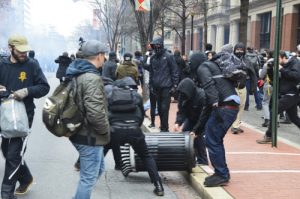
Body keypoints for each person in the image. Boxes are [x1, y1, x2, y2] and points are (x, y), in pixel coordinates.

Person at [0, 35, 50, 199]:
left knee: (14, 154)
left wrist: (27, 91)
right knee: (7, 151)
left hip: (24, 116)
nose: (24, 54)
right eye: (20, 51)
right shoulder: (1, 64)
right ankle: (26, 178)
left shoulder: (32, 65)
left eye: (25, 50)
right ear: (11, 48)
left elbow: (44, 87)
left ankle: (6, 194)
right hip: (4, 114)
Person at [104, 77, 164, 196]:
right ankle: (158, 185)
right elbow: (141, 115)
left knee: (101, 152)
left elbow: (105, 115)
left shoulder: (109, 95)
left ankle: (90, 178)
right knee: (146, 156)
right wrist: (136, 127)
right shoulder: (137, 96)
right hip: (134, 130)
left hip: (115, 131)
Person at [65, 40, 110, 199]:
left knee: (96, 171)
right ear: (99, 56)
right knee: (88, 178)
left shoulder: (76, 72)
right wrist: (105, 130)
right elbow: (95, 112)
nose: (105, 58)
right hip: (89, 135)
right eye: (104, 55)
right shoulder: (91, 78)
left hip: (80, 131)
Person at [197, 50, 240, 187]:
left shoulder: (202, 68)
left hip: (224, 106)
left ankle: (221, 174)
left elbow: (209, 86)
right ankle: (221, 172)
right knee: (214, 138)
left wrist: (214, 102)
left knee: (212, 139)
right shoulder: (214, 66)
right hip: (230, 104)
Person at [257, 51, 300, 144]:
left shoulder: (295, 62)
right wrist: (270, 70)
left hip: (291, 94)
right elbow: (274, 81)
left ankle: (269, 135)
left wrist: (281, 69)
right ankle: (269, 136)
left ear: (283, 57)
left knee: (273, 111)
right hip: (285, 94)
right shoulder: (282, 66)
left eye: (278, 59)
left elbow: (296, 76)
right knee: (294, 118)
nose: (276, 61)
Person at [145, 37, 179, 131]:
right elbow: (151, 73)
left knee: (164, 108)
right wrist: (151, 85)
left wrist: (175, 85)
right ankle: (162, 126)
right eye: (154, 46)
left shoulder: (168, 56)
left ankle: (165, 128)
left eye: (158, 45)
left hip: (166, 87)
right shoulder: (153, 58)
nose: (156, 48)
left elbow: (174, 71)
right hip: (156, 87)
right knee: (159, 108)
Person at [174, 78, 208, 165]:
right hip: (191, 118)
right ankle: (189, 157)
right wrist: (178, 122)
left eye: (184, 93)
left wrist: (195, 131)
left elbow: (203, 117)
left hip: (203, 119)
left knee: (198, 137)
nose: (182, 96)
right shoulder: (182, 96)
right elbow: (181, 111)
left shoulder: (201, 96)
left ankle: (203, 161)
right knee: (185, 134)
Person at [231, 43, 257, 134]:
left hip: (242, 87)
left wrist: (253, 87)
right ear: (234, 50)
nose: (239, 51)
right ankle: (234, 125)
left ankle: (236, 125)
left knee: (241, 107)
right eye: (237, 49)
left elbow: (253, 74)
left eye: (241, 50)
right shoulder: (230, 60)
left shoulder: (247, 61)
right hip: (232, 88)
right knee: (233, 107)